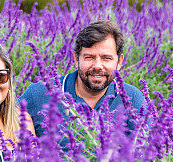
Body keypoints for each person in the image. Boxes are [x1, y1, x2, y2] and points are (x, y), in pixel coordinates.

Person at [18, 20, 146, 138]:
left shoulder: (133, 98)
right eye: (89, 57)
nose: (97, 66)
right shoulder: (39, 93)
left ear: (119, 61)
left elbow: (145, 153)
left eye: (106, 58)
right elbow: (2, 123)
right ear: (76, 59)